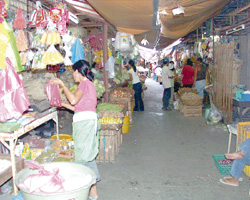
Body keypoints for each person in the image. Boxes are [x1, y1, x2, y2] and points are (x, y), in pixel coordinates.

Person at [52, 60, 100, 200]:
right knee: (87, 157)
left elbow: (73, 100)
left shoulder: (84, 84)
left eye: (73, 71)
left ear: (78, 71)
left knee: (83, 159)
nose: (73, 74)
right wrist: (62, 104)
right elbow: (77, 108)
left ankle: (85, 193)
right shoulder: (88, 85)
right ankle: (93, 195)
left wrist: (62, 85)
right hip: (86, 122)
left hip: (85, 125)